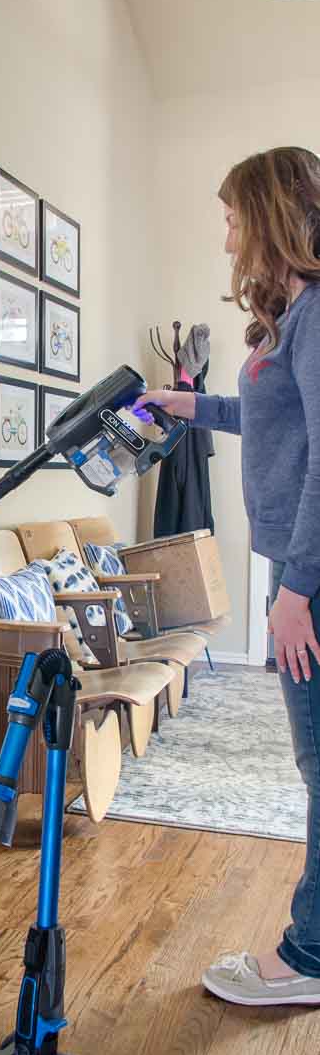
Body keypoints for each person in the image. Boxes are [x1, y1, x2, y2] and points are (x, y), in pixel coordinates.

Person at [133, 146, 320, 1007]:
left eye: (234, 218)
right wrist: (185, 404)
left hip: (309, 578)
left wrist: (295, 589)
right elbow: (267, 413)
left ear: (274, 217)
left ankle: (306, 960)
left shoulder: (318, 312)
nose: (228, 238)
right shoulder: (298, 318)